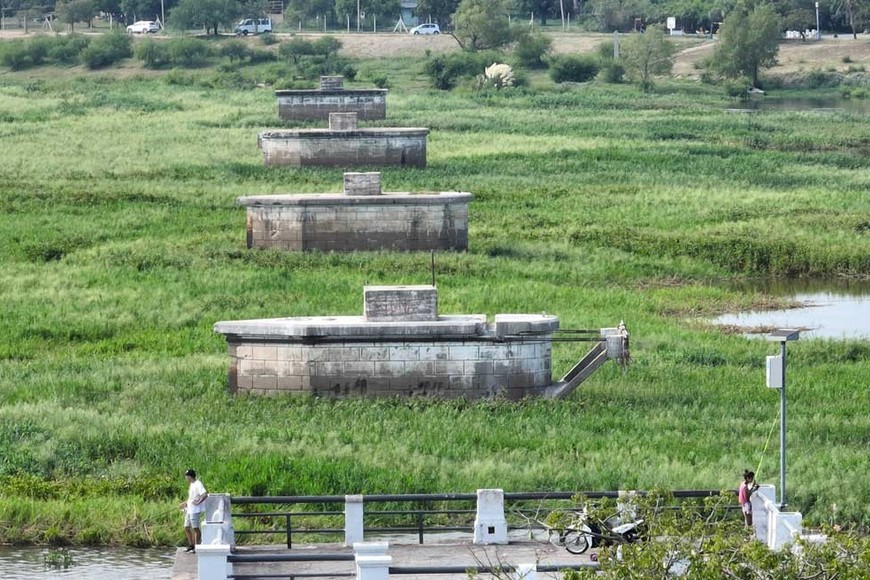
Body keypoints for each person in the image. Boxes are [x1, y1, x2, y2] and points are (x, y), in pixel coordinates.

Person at [179, 469, 208, 553]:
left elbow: (204, 494)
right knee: (186, 527)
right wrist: (184, 503)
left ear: (190, 476)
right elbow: (191, 498)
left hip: (195, 510)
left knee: (195, 528)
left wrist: (198, 502)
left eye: (186, 476)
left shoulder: (198, 484)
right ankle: (191, 545)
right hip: (189, 510)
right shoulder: (192, 484)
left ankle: (196, 547)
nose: (186, 478)